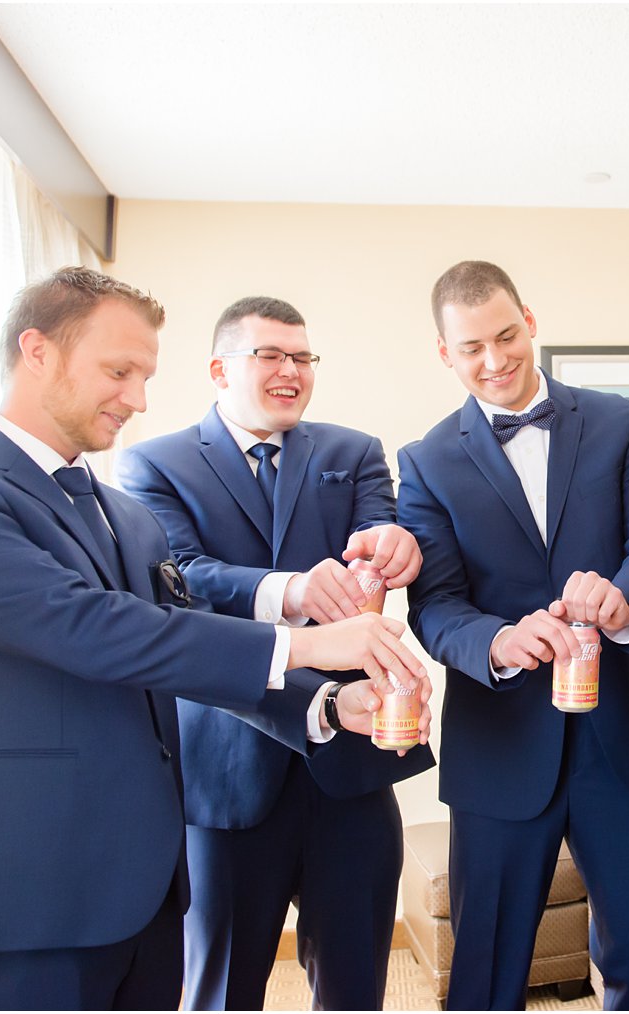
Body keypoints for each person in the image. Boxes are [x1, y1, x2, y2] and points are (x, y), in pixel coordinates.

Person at [0, 267, 430, 1011]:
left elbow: (176, 651)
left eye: (145, 376)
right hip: (23, 893)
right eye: (119, 371)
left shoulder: (121, 516)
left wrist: (324, 706)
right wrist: (309, 646)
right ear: (37, 352)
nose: (137, 399)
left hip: (148, 891)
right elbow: (94, 630)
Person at [396, 260, 629, 1009]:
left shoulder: (620, 420)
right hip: (500, 745)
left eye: (506, 336)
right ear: (444, 353)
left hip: (622, 734)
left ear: (529, 320)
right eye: (472, 348)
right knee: (487, 971)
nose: (495, 360)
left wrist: (623, 601)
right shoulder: (425, 461)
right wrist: (496, 643)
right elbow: (435, 606)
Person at [118, 295, 433, 1011]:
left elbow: (377, 544)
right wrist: (289, 590)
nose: (292, 370)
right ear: (218, 369)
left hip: (350, 765)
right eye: (271, 355)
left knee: (357, 990)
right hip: (226, 771)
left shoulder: (352, 452)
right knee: (221, 991)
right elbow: (177, 583)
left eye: (303, 357)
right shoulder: (152, 464)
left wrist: (391, 550)